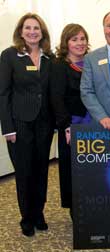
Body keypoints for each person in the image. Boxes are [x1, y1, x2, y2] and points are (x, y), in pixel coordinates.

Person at [0, 13, 54, 236]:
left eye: (37, 28)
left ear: (42, 32)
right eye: (28, 28)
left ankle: (39, 212)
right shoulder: (10, 55)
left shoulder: (49, 57)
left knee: (42, 170)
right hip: (20, 123)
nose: (32, 32)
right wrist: (8, 127)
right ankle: (27, 218)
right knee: (24, 172)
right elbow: (3, 94)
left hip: (44, 123)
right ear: (21, 31)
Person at [50, 24, 90, 218]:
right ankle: (77, 212)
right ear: (66, 42)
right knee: (73, 170)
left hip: (93, 124)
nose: (79, 43)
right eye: (74, 39)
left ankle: (92, 205)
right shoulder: (59, 66)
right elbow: (56, 99)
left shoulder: (91, 63)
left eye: (82, 39)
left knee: (92, 167)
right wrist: (66, 127)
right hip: (72, 126)